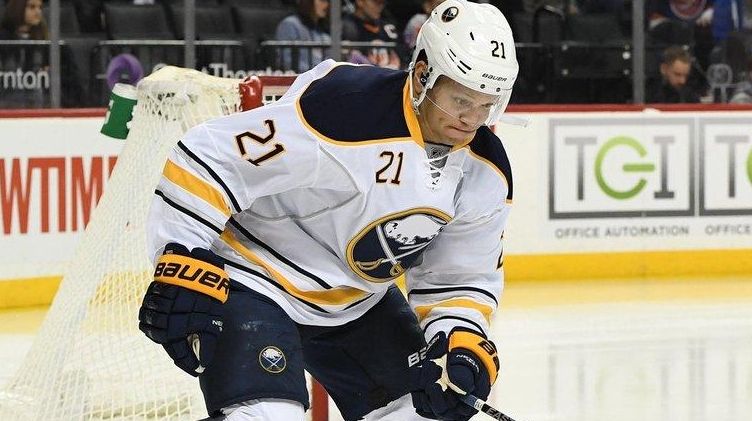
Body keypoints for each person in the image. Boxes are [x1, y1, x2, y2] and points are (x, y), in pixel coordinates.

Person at [138, 1, 519, 420]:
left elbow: (461, 277)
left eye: (487, 104)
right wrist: (181, 257)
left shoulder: (486, 169)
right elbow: (209, 157)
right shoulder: (345, 108)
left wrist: (459, 336)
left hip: (359, 304)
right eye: (461, 100)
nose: (472, 119)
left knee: (424, 412)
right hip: (256, 279)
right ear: (424, 71)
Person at [274, 0, 331, 73]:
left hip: (321, 80)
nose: (326, 5)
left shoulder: (323, 32)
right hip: (299, 80)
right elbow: (287, 61)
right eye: (322, 0)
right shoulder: (290, 25)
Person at [342, 0, 402, 69]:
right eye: (376, 2)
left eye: (382, 3)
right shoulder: (346, 28)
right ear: (360, 1)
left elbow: (403, 58)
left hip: (388, 74)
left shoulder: (388, 28)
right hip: (360, 75)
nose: (380, 7)